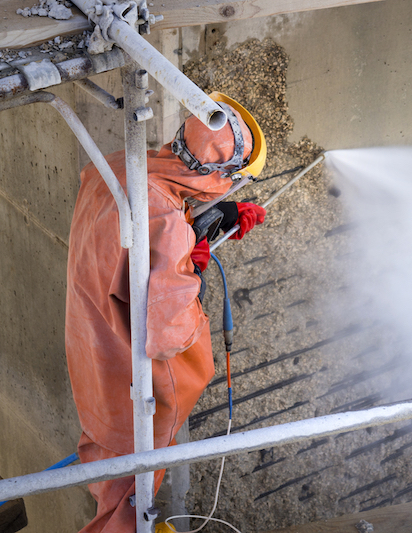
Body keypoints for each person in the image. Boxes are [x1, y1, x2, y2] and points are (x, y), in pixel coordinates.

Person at [65, 93, 266, 533]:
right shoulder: (163, 219)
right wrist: (190, 266)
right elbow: (171, 332)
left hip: (92, 343)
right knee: (128, 493)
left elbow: (137, 232)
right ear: (221, 174)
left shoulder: (118, 166)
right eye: (234, 183)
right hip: (131, 375)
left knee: (104, 461)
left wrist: (207, 220)